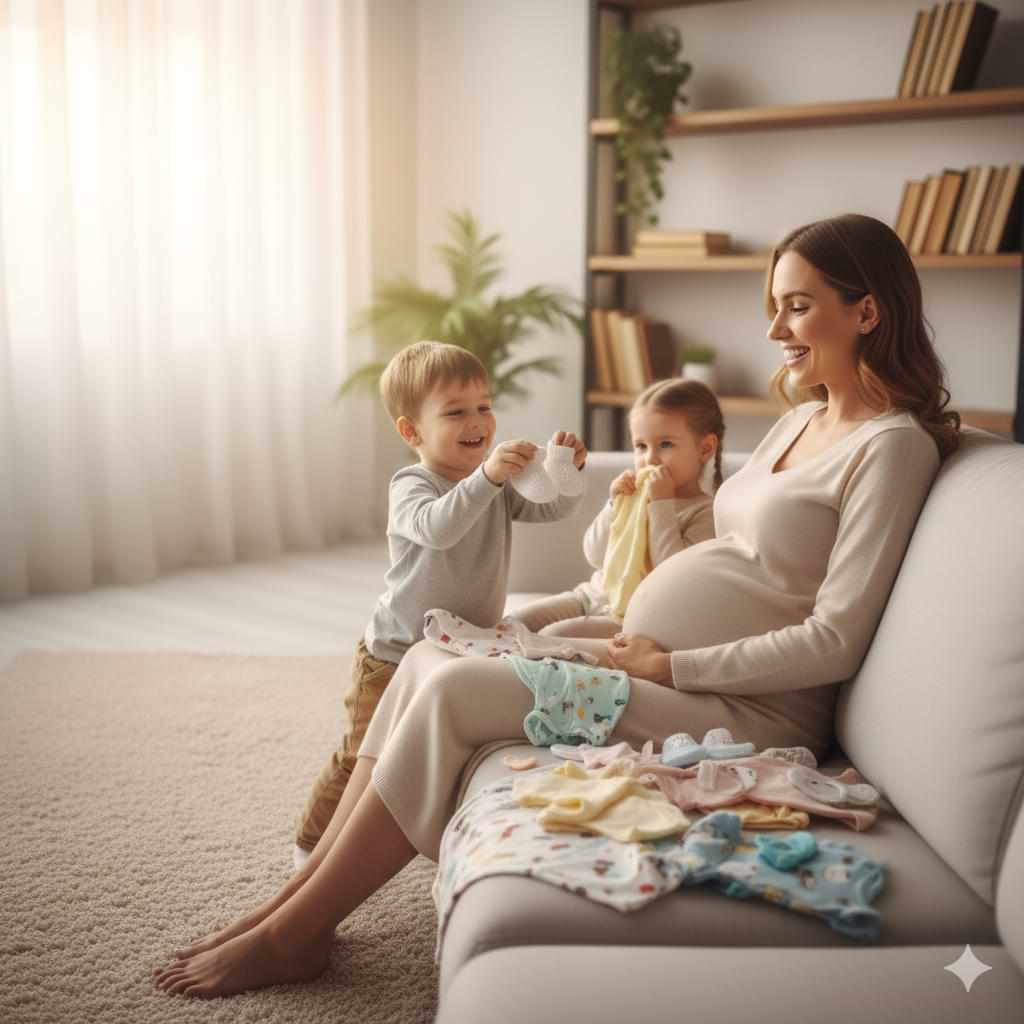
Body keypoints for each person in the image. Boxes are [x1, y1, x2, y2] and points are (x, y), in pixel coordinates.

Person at [153, 213, 960, 998]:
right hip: (656, 662)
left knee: (457, 689)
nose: (778, 327)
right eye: (774, 306)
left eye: (798, 305)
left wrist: (671, 657)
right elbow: (738, 557)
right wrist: (618, 604)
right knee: (433, 656)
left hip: (745, 706)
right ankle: (292, 906)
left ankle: (297, 935)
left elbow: (835, 638)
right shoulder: (801, 422)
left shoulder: (891, 448)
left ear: (866, 310)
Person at [292, 340, 587, 861]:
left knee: (420, 753)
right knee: (362, 756)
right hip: (394, 653)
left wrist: (568, 474)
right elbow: (439, 528)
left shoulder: (492, 484)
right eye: (456, 412)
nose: (478, 421)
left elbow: (548, 511)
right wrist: (488, 477)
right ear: (412, 431)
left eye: (484, 406)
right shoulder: (412, 484)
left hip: (456, 651)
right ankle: (310, 848)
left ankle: (399, 830)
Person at [511, 378, 723, 640]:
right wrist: (614, 505)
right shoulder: (633, 494)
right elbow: (596, 555)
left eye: (666, 444)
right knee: (513, 624)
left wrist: (660, 505)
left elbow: (671, 576)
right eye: (641, 446)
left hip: (633, 619)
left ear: (705, 448)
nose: (650, 459)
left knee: (553, 636)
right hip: (591, 596)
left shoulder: (706, 513)